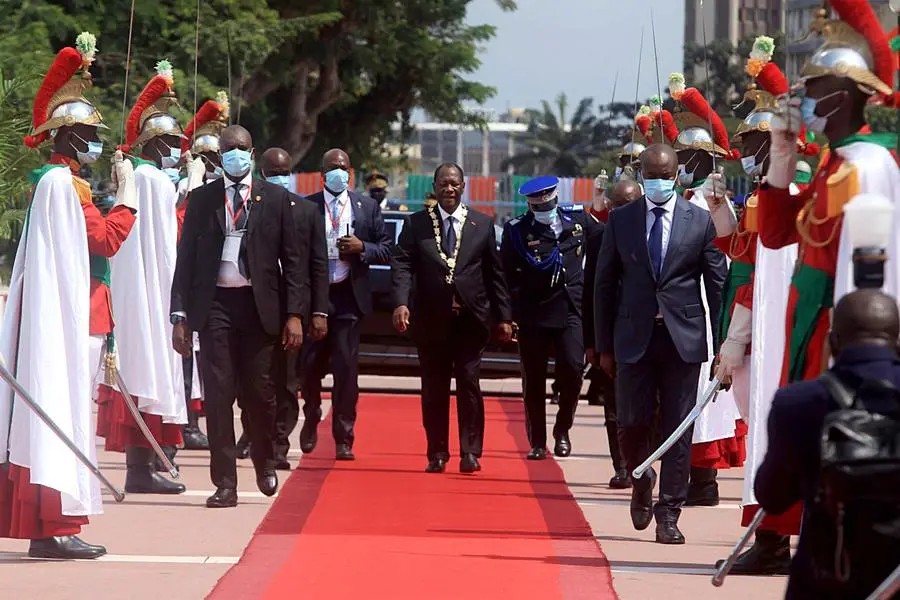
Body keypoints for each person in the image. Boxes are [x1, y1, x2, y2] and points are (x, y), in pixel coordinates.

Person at [755, 0, 900, 566]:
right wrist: (784, 154)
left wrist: (855, 342)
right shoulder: (835, 165)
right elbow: (774, 234)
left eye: (813, 86)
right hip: (813, 321)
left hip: (844, 326)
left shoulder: (867, 166)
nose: (804, 97)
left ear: (843, 92)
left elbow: (873, 264)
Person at [0, 33, 136, 558]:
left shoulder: (56, 182)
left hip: (76, 315)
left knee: (65, 416)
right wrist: (127, 200)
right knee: (65, 413)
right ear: (67, 136)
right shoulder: (67, 187)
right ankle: (54, 525)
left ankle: (53, 525)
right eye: (86, 133)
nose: (93, 141)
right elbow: (104, 240)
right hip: (73, 318)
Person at [710, 36, 818, 575]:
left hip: (775, 327)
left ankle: (774, 540)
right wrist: (718, 213)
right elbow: (740, 250)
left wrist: (733, 340)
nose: (750, 153)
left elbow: (757, 275)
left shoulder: (786, 188)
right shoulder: (766, 193)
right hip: (768, 325)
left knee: (773, 434)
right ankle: (773, 538)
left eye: (757, 142)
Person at [594, 143, 727, 544]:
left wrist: (722, 342)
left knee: (678, 428)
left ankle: (669, 512)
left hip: (682, 341)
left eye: (665, 176)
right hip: (633, 338)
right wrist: (601, 346)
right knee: (631, 422)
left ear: (677, 176)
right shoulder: (622, 220)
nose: (658, 182)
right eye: (650, 175)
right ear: (641, 174)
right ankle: (641, 475)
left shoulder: (698, 222)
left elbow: (717, 285)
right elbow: (603, 286)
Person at [170, 125, 305, 508]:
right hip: (214, 309)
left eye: (241, 148)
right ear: (220, 155)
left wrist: (294, 314)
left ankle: (264, 462)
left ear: (252, 152)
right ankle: (225, 482)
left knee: (260, 395)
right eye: (228, 148)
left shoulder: (276, 199)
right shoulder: (202, 199)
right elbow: (187, 261)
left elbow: (292, 263)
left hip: (258, 309)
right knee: (217, 396)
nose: (235, 154)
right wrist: (179, 314)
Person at [755, 289, 900, 599]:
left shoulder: (797, 403)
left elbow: (773, 497)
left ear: (833, 343)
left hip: (827, 577)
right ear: (897, 341)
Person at [93, 61, 189, 495]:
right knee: (148, 371)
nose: (177, 148)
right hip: (152, 288)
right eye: (171, 141)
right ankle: (141, 469)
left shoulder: (147, 177)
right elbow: (164, 245)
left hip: (149, 286)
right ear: (154, 142)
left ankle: (144, 468)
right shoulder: (153, 179)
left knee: (150, 372)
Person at [392, 162, 513, 473]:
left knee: (470, 384)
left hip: (471, 321)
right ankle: (437, 452)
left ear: (463, 186)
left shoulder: (482, 224)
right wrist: (400, 303)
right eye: (443, 183)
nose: (449, 189)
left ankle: (470, 452)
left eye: (454, 184)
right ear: (434, 186)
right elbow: (403, 265)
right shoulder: (416, 224)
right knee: (434, 389)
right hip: (431, 321)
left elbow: (495, 274)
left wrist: (504, 317)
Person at [664, 73, 746, 507]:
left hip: (704, 312)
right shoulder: (682, 201)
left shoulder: (709, 203)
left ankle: (703, 481)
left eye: (683, 157)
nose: (678, 164)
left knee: (702, 397)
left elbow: (720, 266)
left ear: (698, 159)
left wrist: (717, 327)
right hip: (683, 308)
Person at [235, 147, 328, 469]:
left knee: (287, 382)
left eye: (284, 172)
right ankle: (254, 434)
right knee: (253, 379)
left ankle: (279, 444)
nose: (279, 178)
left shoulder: (305, 211)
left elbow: (317, 266)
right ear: (261, 173)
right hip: (255, 309)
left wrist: (317, 312)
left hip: (293, 311)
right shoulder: (248, 208)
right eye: (273, 173)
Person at [297, 148, 392, 461]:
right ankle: (311, 414)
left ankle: (343, 436)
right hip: (315, 298)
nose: (338, 172)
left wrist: (362, 247)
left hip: (349, 297)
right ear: (323, 174)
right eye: (331, 168)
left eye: (343, 168)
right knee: (309, 368)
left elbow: (387, 249)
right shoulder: (306, 206)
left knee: (346, 371)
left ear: (350, 173)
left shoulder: (366, 207)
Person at [501, 177, 598, 460]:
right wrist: (509, 315)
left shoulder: (577, 220)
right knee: (534, 379)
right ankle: (537, 441)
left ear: (556, 196)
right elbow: (507, 275)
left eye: (548, 197)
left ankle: (563, 428)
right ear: (530, 203)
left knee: (572, 369)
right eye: (538, 200)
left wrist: (603, 204)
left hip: (571, 309)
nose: (544, 203)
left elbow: (607, 236)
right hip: (535, 313)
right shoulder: (518, 230)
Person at [176, 91, 231, 451]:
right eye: (207, 156)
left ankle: (194, 419)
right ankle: (186, 422)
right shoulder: (186, 186)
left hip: (213, 285)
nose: (213, 162)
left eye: (217, 157)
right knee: (184, 359)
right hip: (188, 278)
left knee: (203, 361)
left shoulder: (225, 190)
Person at [586, 179, 643, 488]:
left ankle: (641, 462)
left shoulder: (652, 235)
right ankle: (621, 466)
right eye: (620, 206)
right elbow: (592, 296)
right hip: (613, 339)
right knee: (614, 409)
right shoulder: (598, 239)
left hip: (648, 336)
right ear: (610, 208)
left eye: (632, 205)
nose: (626, 213)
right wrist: (593, 343)